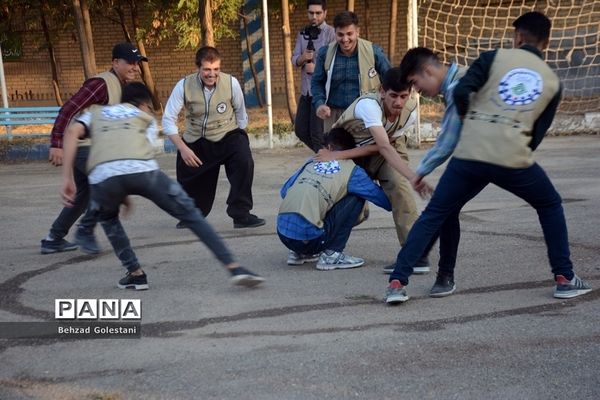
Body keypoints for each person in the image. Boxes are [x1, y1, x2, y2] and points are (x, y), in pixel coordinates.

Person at [385, 11, 592, 304]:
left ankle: (397, 282)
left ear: (517, 37)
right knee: (549, 204)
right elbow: (537, 133)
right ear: (546, 42)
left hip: (469, 155)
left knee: (435, 213)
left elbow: (462, 93)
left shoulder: (492, 58)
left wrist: (479, 128)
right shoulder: (552, 82)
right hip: (511, 156)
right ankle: (564, 277)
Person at [60, 82, 265, 290]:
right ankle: (234, 267)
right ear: (144, 105)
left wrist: (67, 178)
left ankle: (134, 272)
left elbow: (71, 133)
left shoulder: (96, 113)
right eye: (150, 108)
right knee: (191, 215)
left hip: (104, 177)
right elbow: (135, 158)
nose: (150, 111)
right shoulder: (145, 119)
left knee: (109, 218)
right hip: (144, 171)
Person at [314, 67, 433, 273]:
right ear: (382, 91)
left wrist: (408, 178)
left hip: (380, 152)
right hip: (347, 153)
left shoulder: (410, 112)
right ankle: (309, 243)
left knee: (399, 186)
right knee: (349, 207)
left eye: (403, 96)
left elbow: (386, 147)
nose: (398, 102)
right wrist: (334, 155)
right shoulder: (369, 106)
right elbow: (383, 145)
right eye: (393, 96)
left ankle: (415, 255)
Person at [41, 42, 147, 255]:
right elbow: (68, 109)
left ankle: (53, 238)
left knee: (84, 196)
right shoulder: (100, 84)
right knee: (109, 187)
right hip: (84, 147)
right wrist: (57, 143)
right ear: (115, 63)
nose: (135, 67)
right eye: (131, 63)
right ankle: (85, 230)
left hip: (97, 149)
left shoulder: (124, 86)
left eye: (137, 63)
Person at [387, 47, 469, 297]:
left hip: (482, 159)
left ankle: (402, 278)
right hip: (485, 156)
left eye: (415, 83)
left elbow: (447, 142)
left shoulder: (458, 87)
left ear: (428, 71)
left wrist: (419, 172)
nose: (417, 90)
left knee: (438, 210)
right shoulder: (460, 79)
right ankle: (429, 265)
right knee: (444, 208)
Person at [162, 46, 265, 229]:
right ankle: (192, 215)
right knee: (189, 178)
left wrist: (240, 140)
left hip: (227, 134)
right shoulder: (183, 86)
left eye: (216, 69)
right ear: (197, 68)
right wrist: (183, 149)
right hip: (197, 139)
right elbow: (168, 119)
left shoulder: (231, 83)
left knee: (244, 160)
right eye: (207, 69)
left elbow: (241, 114)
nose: (212, 74)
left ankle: (241, 214)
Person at [278, 127, 392, 270]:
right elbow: (387, 202)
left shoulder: (312, 161)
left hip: (283, 235)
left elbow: (285, 191)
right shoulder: (353, 171)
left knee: (320, 198)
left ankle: (297, 253)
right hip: (312, 240)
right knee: (356, 198)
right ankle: (332, 255)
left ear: (330, 147)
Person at [311, 11, 392, 132]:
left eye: (349, 34)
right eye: (340, 34)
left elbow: (390, 78)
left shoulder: (373, 51)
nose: (345, 39)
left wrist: (388, 103)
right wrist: (319, 104)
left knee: (365, 150)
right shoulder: (325, 53)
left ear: (357, 32)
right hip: (334, 114)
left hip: (365, 114)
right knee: (335, 150)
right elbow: (317, 82)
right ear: (335, 33)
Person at [292, 0, 336, 152]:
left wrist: (316, 68)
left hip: (322, 93)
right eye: (311, 13)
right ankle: (327, 155)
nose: (314, 17)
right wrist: (302, 58)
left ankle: (324, 163)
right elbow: (294, 59)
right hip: (306, 92)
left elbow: (335, 62)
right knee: (300, 130)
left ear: (325, 13)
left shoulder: (331, 33)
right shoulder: (302, 33)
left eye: (318, 13)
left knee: (317, 134)